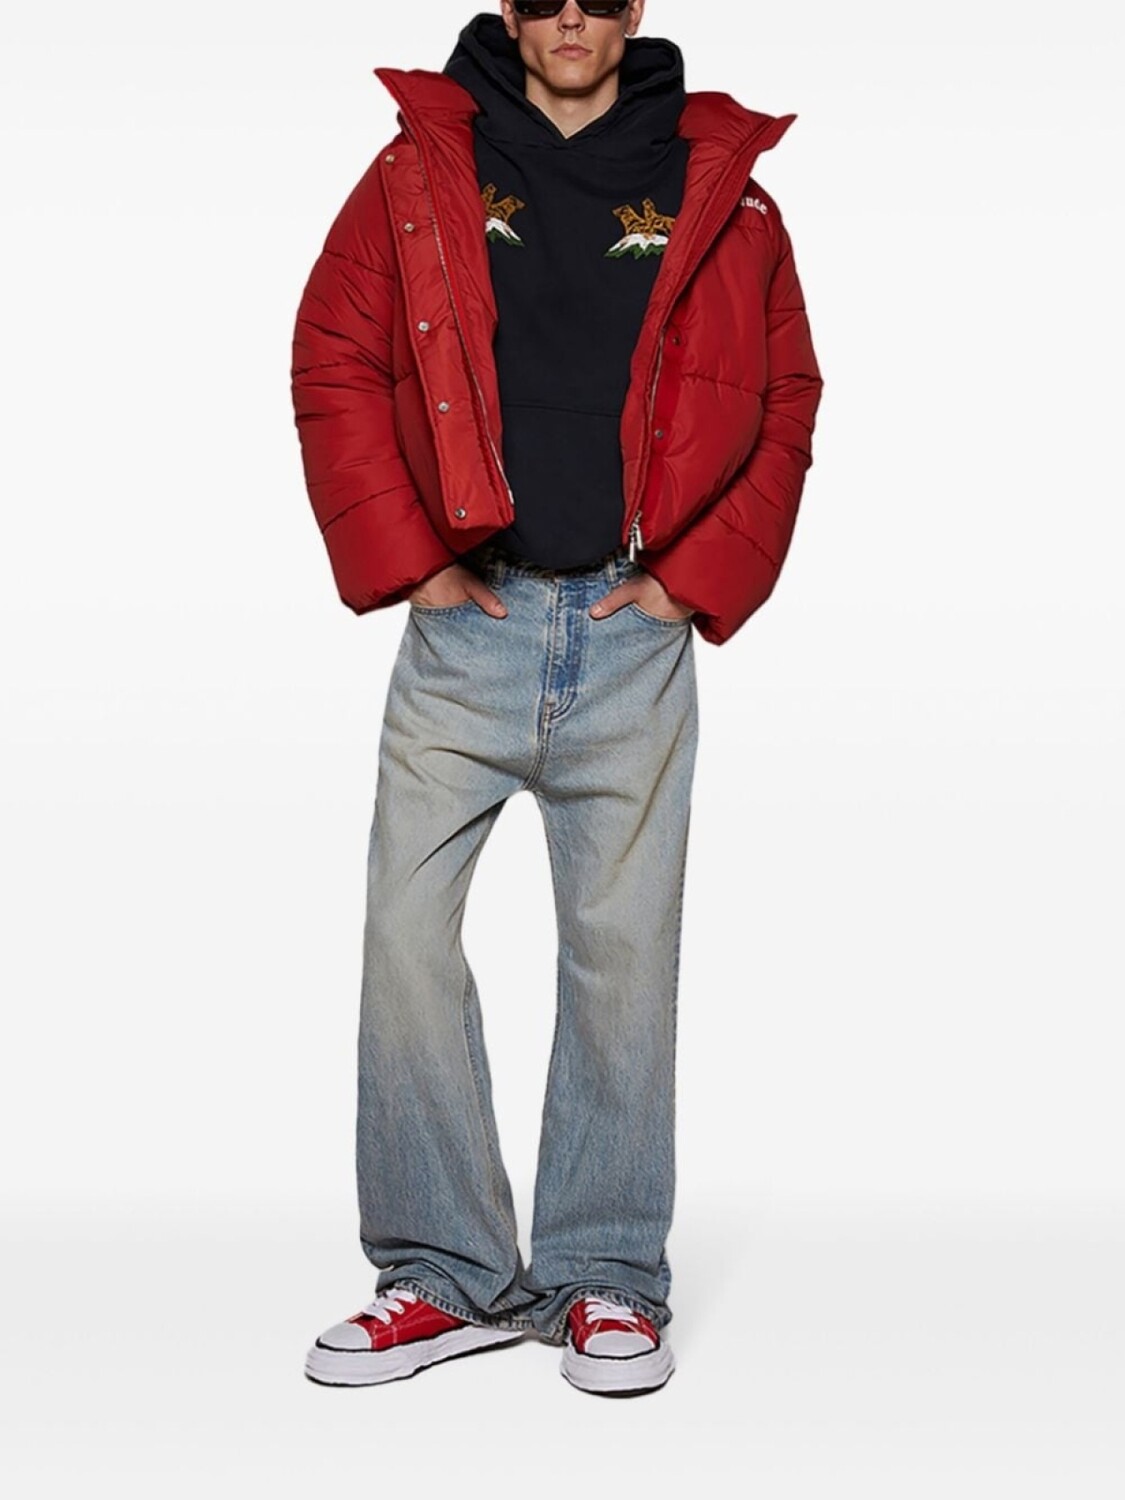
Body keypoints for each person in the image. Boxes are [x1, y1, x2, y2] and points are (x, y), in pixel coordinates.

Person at [290, 0, 822, 1397]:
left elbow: (785, 399)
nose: (569, 14)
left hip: (632, 634)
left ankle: (603, 1278)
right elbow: (334, 355)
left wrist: (692, 583)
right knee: (405, 941)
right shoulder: (419, 168)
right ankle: (443, 1273)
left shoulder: (724, 191)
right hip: (464, 632)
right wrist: (409, 563)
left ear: (634, 6)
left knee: (621, 960)